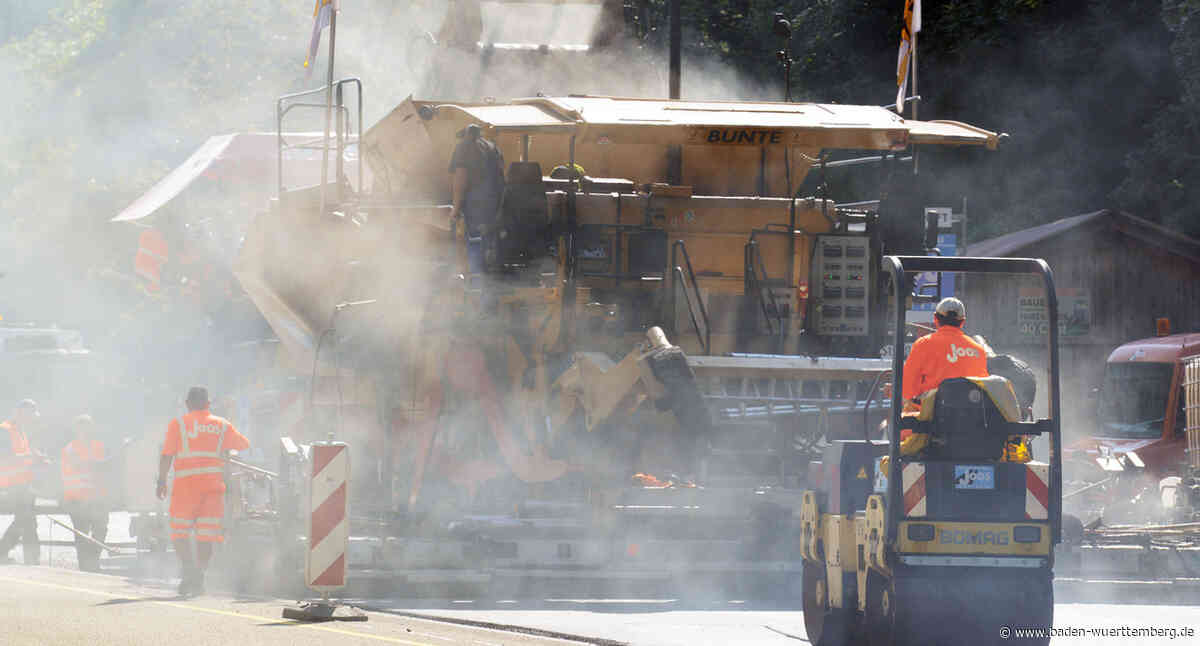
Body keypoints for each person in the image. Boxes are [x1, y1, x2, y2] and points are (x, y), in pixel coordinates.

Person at [156, 387, 249, 596]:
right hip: (212, 490)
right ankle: (199, 574)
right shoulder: (222, 425)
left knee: (179, 532)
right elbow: (243, 445)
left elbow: (166, 455)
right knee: (205, 536)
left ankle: (189, 569)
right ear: (208, 403)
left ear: (187, 403)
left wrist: (161, 481)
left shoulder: (178, 424)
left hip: (185, 489)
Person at [448, 123, 506, 273]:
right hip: (494, 206)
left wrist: (455, 209)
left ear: (466, 135)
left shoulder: (464, 147)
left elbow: (460, 178)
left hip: (474, 206)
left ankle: (474, 280)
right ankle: (488, 279)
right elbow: (501, 177)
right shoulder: (493, 148)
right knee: (488, 244)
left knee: (472, 242)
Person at [61, 414, 109, 572]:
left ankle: (93, 561)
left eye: (88, 426)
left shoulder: (98, 446)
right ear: (76, 429)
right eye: (82, 427)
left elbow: (102, 468)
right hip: (77, 497)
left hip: (96, 497)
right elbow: (83, 465)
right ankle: (85, 566)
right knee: (82, 533)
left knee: (101, 528)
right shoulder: (70, 449)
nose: (85, 430)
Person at [0, 399, 41, 565]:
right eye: (30, 416)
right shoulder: (5, 429)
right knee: (26, 519)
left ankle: (31, 559)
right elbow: (5, 456)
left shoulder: (20, 431)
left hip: (23, 484)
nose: (32, 420)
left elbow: (22, 457)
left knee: (27, 520)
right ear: (21, 413)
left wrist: (37, 459)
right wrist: (32, 457)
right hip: (12, 484)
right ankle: (3, 551)